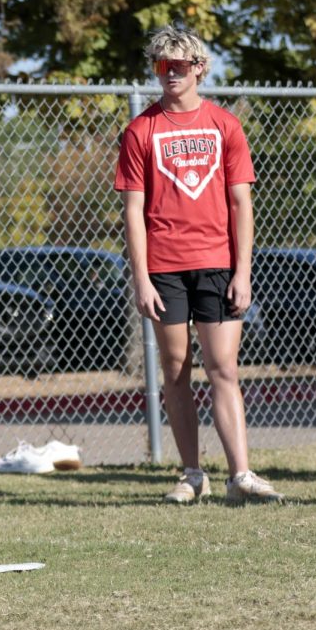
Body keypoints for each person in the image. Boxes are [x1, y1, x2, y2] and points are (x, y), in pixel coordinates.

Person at [114, 25, 283, 505]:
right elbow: (133, 210)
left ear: (199, 70)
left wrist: (243, 271)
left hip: (218, 262)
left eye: (179, 66)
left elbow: (241, 204)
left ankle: (241, 475)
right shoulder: (140, 129)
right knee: (175, 369)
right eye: (161, 66)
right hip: (165, 267)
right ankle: (192, 474)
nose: (169, 74)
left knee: (223, 367)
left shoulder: (225, 125)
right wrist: (141, 277)